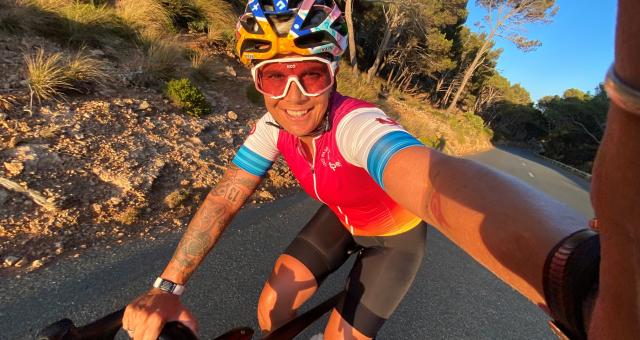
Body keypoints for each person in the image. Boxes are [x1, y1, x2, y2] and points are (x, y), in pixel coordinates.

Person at [123, 0, 638, 339]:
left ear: (333, 74)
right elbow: (225, 196)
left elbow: (435, 185)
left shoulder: (357, 124)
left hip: (394, 239)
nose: (293, 96)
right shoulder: (270, 126)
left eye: (310, 74)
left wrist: (577, 280)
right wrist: (167, 287)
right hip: (341, 219)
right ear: (259, 82)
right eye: (274, 77)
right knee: (270, 311)